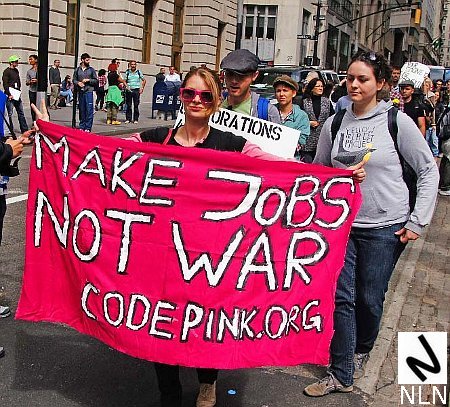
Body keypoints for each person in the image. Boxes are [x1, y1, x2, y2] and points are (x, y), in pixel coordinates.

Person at [304, 51, 439, 397]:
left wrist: (417, 221)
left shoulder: (396, 122)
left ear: (380, 84)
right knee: (342, 297)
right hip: (342, 226)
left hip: (385, 227)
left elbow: (428, 169)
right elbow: (319, 171)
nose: (354, 85)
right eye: (350, 78)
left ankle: (363, 348)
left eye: (363, 79)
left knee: (369, 297)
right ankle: (341, 371)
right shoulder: (335, 122)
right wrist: (338, 180)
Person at [220, 49, 281, 123]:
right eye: (230, 74)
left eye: (241, 76)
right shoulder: (214, 103)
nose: (234, 81)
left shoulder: (268, 112)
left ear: (254, 75)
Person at [272, 75, 310, 159]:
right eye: (278, 91)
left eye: (285, 90)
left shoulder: (302, 116)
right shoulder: (269, 111)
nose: (281, 94)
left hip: (290, 161)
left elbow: (301, 142)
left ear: (293, 93)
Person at [299, 78, 334, 162]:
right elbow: (299, 120)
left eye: (322, 86)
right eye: (318, 86)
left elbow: (332, 117)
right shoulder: (304, 102)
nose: (320, 88)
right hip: (308, 141)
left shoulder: (327, 102)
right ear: (312, 88)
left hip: (322, 139)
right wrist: (308, 123)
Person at [2, 55, 28, 134]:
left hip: (16, 94)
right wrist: (9, 94)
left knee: (21, 112)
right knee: (9, 113)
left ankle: (24, 129)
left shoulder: (16, 70)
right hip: (10, 94)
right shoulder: (6, 71)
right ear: (11, 62)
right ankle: (10, 130)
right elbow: (5, 84)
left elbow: (18, 81)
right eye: (16, 61)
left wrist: (19, 90)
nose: (17, 63)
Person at [73, 53, 98, 132]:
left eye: (89, 60)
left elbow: (96, 80)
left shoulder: (91, 70)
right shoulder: (77, 70)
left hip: (89, 91)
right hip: (81, 92)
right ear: (82, 60)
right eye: (87, 60)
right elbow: (74, 80)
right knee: (82, 109)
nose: (88, 61)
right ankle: (82, 125)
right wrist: (78, 83)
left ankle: (88, 127)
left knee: (89, 110)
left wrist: (88, 80)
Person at [422, 77, 439, 159]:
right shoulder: (420, 94)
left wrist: (433, 123)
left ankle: (434, 155)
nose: (424, 87)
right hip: (422, 118)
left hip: (429, 120)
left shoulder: (431, 95)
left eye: (426, 85)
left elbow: (433, 109)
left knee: (432, 139)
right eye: (423, 85)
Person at [26, 54, 38, 122]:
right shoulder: (29, 71)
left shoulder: (40, 70)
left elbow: (45, 80)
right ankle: (34, 121)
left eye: (31, 59)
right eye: (29, 59)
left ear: (36, 60)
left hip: (39, 91)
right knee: (33, 106)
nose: (30, 61)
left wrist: (37, 81)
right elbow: (27, 82)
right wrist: (30, 82)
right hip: (32, 91)